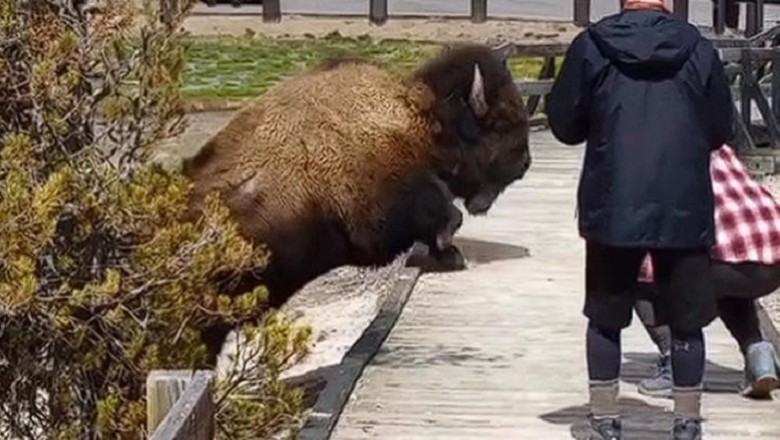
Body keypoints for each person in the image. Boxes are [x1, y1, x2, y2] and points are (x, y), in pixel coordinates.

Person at [547, 0, 734, 439]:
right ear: (666, 2)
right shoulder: (699, 49)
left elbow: (564, 125)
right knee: (687, 322)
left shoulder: (592, 45)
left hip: (614, 199)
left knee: (605, 317)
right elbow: (721, 128)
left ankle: (605, 419)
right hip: (682, 200)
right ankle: (687, 422)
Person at [634, 145, 780, 400]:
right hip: (771, 256)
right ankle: (759, 354)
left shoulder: (658, 152)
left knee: (636, 272)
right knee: (724, 275)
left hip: (724, 257)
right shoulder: (713, 140)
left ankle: (674, 363)